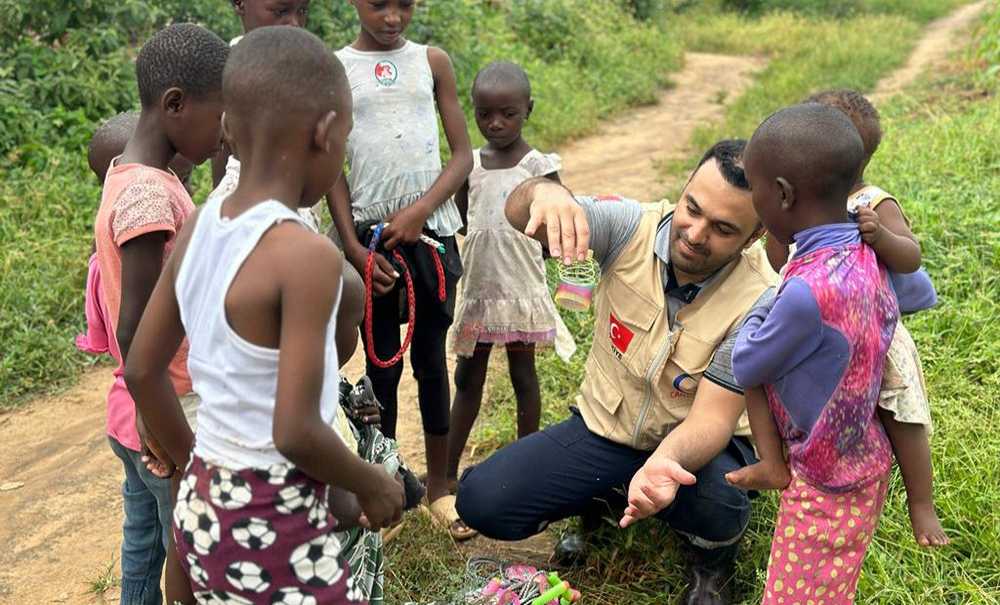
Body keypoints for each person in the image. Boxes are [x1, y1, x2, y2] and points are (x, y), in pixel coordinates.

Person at [124, 26, 405, 603]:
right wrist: (373, 482)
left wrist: (199, 467)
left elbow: (141, 372)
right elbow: (295, 430)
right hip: (273, 524)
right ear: (325, 135)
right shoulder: (306, 256)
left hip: (203, 504)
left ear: (228, 126)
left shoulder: (203, 224)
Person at [456, 139, 778, 604]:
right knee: (483, 500)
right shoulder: (630, 226)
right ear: (685, 186)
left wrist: (664, 465)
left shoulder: (762, 296)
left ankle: (711, 567)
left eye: (724, 229)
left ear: (753, 237)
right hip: (608, 428)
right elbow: (521, 211)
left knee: (717, 502)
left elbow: (713, 419)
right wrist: (543, 194)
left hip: (697, 447)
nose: (694, 233)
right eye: (693, 208)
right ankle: (604, 498)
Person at [733, 103, 936, 605]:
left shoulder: (806, 292)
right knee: (830, 587)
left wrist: (755, 317)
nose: (753, 200)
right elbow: (915, 287)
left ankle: (769, 463)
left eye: (753, 188)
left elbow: (747, 365)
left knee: (794, 596)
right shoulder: (865, 245)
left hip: (825, 479)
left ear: (781, 193)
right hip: (861, 451)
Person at [91, 24, 228, 605]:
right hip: (170, 407)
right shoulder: (149, 194)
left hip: (139, 407)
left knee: (146, 544)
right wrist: (161, 421)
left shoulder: (128, 174)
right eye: (220, 114)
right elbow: (135, 324)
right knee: (193, 553)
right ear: (176, 104)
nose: (225, 132)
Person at [328, 0, 474, 539]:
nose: (392, 17)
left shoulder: (431, 62)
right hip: (372, 242)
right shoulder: (337, 70)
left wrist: (418, 212)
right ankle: (385, 488)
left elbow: (461, 154)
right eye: (378, 5)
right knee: (381, 368)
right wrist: (352, 248)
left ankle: (440, 490)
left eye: (404, 5)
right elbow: (331, 167)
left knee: (432, 363)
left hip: (430, 234)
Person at [446, 61, 568, 492]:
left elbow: (559, 223)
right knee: (467, 379)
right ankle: (446, 474)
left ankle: (525, 473)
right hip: (479, 289)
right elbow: (461, 221)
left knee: (523, 377)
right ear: (473, 111)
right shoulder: (469, 165)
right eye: (484, 114)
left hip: (519, 289)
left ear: (528, 110)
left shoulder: (538, 166)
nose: (495, 123)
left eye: (508, 114)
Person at [209, 0, 321, 231]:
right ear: (240, 4)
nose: (294, 24)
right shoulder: (228, 70)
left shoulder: (308, 67)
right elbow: (222, 155)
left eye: (302, 11)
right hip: (250, 213)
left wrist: (350, 243)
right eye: (281, 11)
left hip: (300, 210)